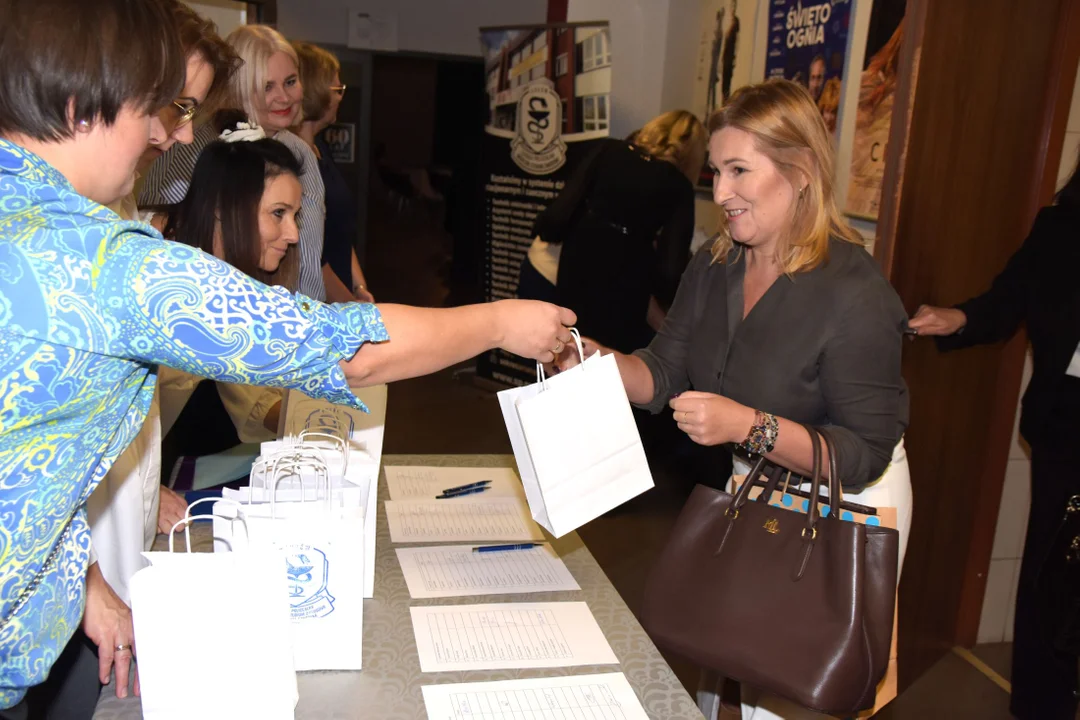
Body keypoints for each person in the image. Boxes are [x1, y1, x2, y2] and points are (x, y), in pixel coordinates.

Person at [0, 0, 575, 713]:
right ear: (81, 102)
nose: (172, 136)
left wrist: (76, 576)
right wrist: (497, 322)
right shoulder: (104, 265)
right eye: (155, 109)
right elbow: (351, 350)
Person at [558, 79, 912, 720]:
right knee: (740, 667)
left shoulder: (856, 292)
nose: (720, 193)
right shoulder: (717, 262)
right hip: (755, 479)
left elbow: (861, 454)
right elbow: (663, 372)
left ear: (799, 170)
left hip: (842, 503)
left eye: (739, 171)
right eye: (716, 171)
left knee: (797, 689)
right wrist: (590, 361)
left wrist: (748, 425)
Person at [79, 4, 242, 713]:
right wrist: (82, 581)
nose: (181, 134)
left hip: (107, 579)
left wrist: (145, 493)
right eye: (176, 108)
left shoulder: (115, 205)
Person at [909, 150, 1080, 720]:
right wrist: (958, 318)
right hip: (1069, 423)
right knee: (1051, 568)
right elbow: (1011, 298)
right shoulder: (1063, 224)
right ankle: (1041, 705)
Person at [140, 24, 332, 303]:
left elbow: (313, 253)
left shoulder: (300, 152)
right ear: (240, 88)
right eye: (268, 86)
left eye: (290, 82)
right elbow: (166, 228)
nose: (284, 97)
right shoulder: (186, 146)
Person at [518, 110, 706, 354]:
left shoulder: (608, 150)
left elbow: (559, 213)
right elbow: (670, 271)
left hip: (576, 264)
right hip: (625, 290)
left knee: (566, 354)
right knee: (607, 369)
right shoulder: (678, 186)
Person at [291, 41, 374, 303]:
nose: (341, 97)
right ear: (315, 91)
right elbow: (310, 254)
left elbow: (339, 231)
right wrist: (348, 305)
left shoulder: (320, 149)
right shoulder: (291, 160)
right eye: (337, 89)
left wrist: (360, 288)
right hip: (318, 302)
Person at [720, 0, 740, 103]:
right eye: (731, 5)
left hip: (730, 56)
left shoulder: (736, 22)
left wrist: (735, 56)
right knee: (723, 81)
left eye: (734, 6)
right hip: (725, 55)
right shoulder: (725, 22)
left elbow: (737, 40)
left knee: (727, 80)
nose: (732, 8)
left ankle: (726, 101)